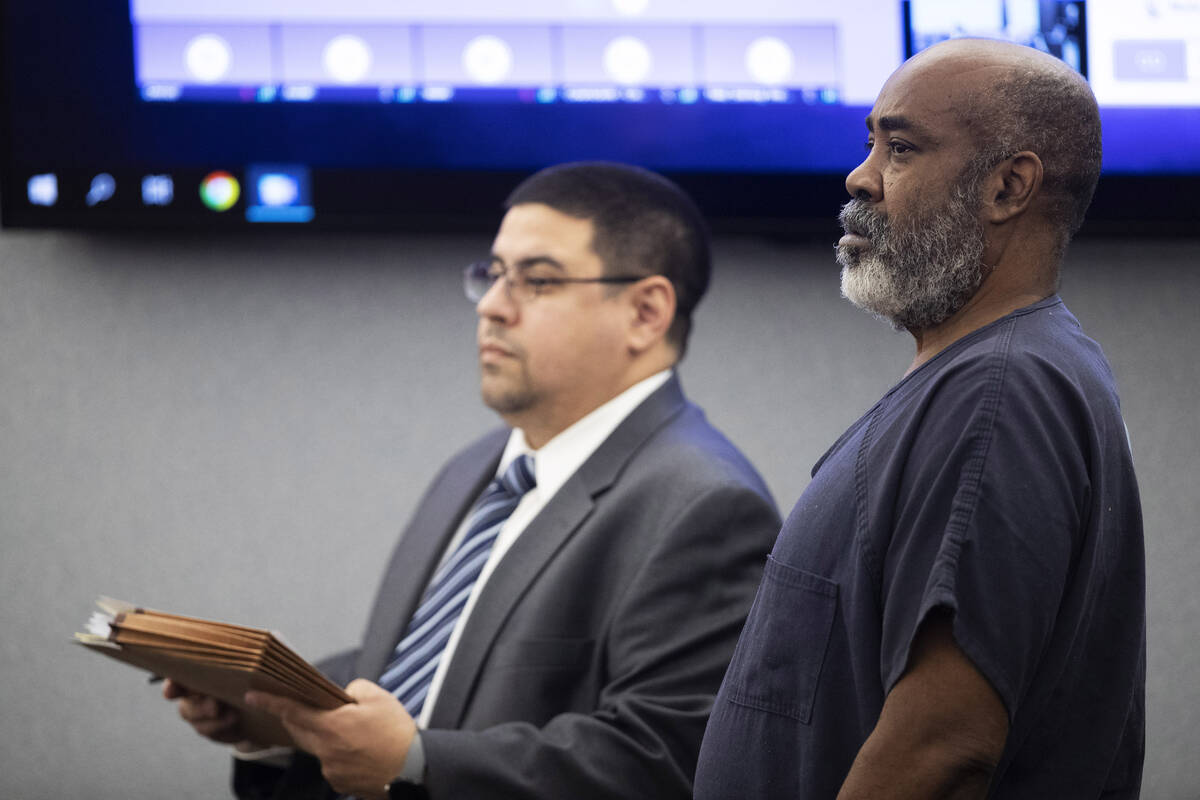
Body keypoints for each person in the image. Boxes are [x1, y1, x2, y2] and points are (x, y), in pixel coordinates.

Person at [165, 161, 781, 800]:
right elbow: (433, 675)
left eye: (537, 281)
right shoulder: (480, 464)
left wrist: (417, 761)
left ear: (646, 312)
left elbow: (663, 761)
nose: (491, 306)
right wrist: (272, 715)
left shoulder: (708, 505)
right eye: (492, 274)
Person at [695, 38, 1144, 799]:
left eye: (899, 148)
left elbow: (942, 746)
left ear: (1007, 187)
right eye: (869, 142)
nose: (859, 177)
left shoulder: (1002, 393)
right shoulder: (987, 378)